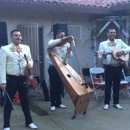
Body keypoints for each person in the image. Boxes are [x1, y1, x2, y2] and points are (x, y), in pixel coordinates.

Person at [0, 30, 37, 130]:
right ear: (11, 37)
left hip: (23, 78)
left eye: (20, 35)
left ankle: (29, 122)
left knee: (25, 101)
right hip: (11, 79)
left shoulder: (26, 47)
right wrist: (2, 82)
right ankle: (6, 125)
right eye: (16, 35)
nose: (18, 37)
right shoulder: (4, 49)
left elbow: (30, 59)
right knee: (8, 102)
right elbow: (1, 66)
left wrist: (30, 64)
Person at [98, 28, 130, 110]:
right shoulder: (103, 44)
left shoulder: (119, 41)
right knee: (108, 86)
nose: (113, 34)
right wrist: (104, 55)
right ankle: (106, 103)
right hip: (108, 67)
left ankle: (116, 103)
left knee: (117, 85)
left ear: (115, 34)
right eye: (111, 32)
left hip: (118, 66)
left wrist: (123, 52)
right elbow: (99, 55)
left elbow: (128, 48)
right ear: (107, 34)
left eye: (114, 32)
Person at [46, 30, 73, 111]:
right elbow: (49, 44)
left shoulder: (67, 44)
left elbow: (69, 56)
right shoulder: (52, 42)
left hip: (62, 67)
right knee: (53, 86)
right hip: (53, 68)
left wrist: (69, 52)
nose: (63, 37)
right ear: (57, 36)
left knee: (60, 86)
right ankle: (53, 104)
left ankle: (59, 102)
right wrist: (61, 40)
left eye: (64, 35)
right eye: (61, 36)